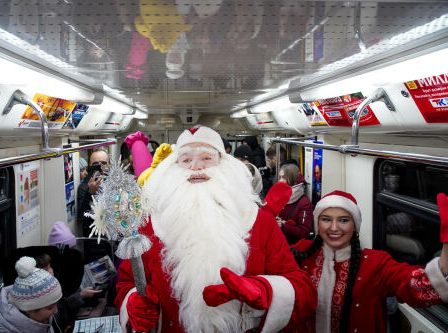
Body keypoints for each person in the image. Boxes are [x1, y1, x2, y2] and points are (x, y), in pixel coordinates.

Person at [115, 126, 316, 332]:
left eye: (206, 158)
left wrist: (265, 289)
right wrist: (132, 304)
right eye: (185, 160)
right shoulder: (151, 225)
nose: (196, 167)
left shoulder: (260, 222)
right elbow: (127, 283)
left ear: (225, 164)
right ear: (174, 167)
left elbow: (303, 290)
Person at [291, 191, 448, 333]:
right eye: (326, 219)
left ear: (355, 226)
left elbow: (417, 286)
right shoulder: (301, 252)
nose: (334, 227)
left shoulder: (375, 263)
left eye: (343, 220)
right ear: (318, 223)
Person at [0, 256, 62, 333]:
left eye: (56, 304)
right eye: (50, 308)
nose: (56, 311)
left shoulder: (39, 319)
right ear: (29, 310)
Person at [277, 163, 313, 244]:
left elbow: (304, 231)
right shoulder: (278, 196)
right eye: (280, 177)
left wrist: (283, 226)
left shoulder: (304, 203)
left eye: (283, 178)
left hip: (293, 248)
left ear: (293, 180)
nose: (280, 181)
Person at [77, 149, 109, 237]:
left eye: (103, 163)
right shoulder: (83, 187)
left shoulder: (115, 182)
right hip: (94, 237)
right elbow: (81, 217)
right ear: (90, 165)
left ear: (108, 164)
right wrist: (90, 193)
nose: (100, 166)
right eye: (96, 164)